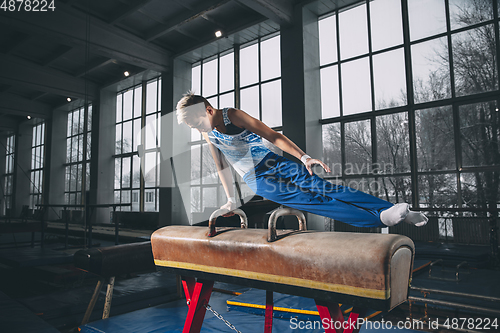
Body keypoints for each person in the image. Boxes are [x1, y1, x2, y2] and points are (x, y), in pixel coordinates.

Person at [176, 91, 427, 228]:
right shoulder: (209, 134)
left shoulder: (233, 115)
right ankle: (380, 218)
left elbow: (273, 136)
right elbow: (221, 166)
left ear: (208, 110)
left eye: (197, 123)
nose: (198, 129)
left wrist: (303, 157)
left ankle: (393, 211)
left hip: (273, 162)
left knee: (323, 187)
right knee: (313, 201)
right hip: (256, 179)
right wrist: (231, 200)